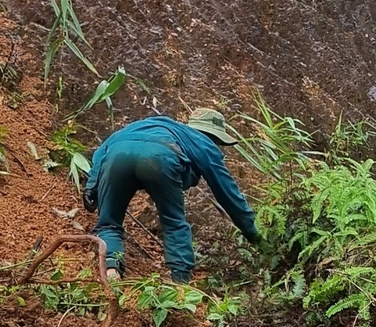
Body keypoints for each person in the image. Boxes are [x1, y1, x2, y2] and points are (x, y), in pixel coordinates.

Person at [83, 109, 260, 283]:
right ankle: (180, 281)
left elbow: (102, 151)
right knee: (173, 222)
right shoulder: (204, 142)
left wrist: (91, 186)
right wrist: (252, 233)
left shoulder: (157, 126)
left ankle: (111, 271)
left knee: (109, 222)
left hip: (117, 155)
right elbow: (227, 191)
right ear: (212, 135)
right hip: (159, 159)